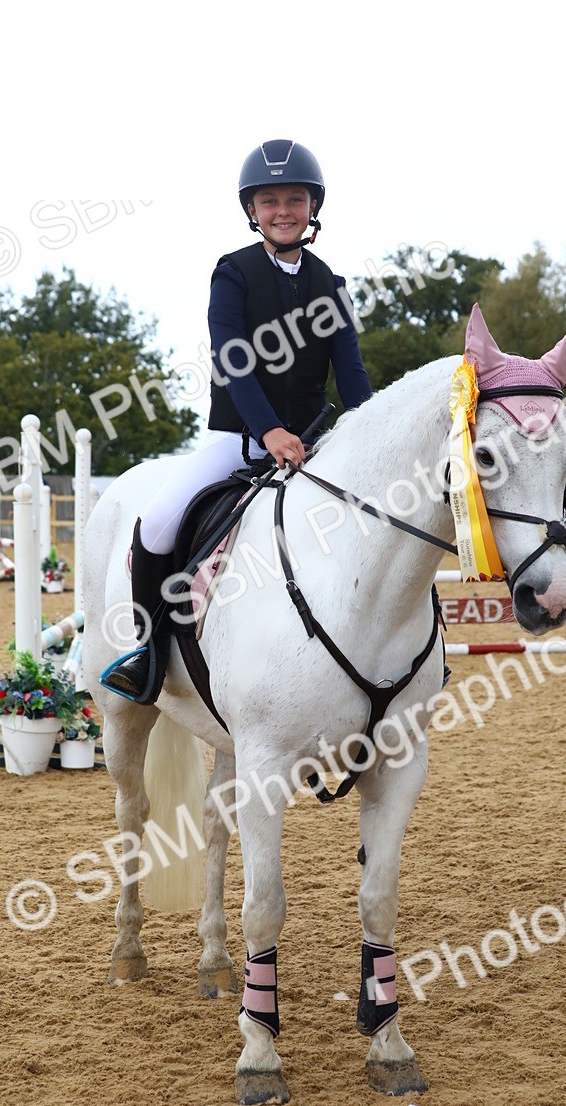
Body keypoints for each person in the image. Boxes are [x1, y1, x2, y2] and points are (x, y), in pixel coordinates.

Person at [100, 138, 373, 703]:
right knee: (156, 523)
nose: (282, 211)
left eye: (294, 199)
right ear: (252, 210)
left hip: (317, 447)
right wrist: (269, 430)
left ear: (312, 206)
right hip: (241, 441)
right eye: (269, 201)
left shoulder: (332, 286)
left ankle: (406, 655)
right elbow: (232, 357)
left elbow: (351, 374)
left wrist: (372, 431)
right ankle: (149, 656)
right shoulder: (234, 274)